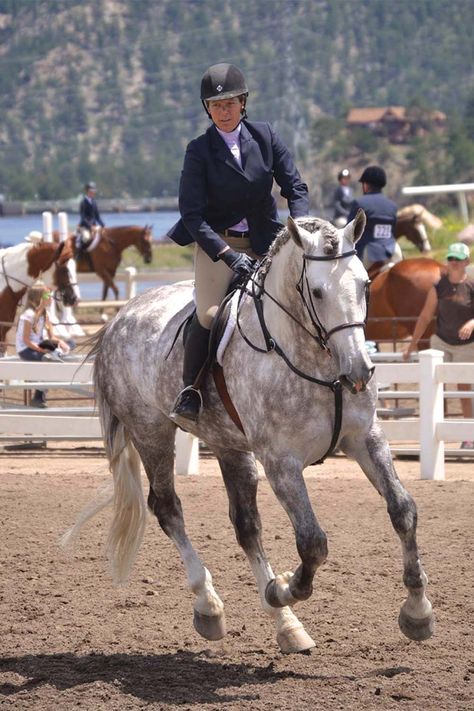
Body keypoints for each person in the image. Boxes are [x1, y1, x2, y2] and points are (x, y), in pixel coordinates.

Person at [167, 62, 309, 422]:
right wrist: (228, 255)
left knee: (303, 300)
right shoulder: (199, 150)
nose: (223, 111)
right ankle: (192, 388)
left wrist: (301, 227)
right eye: (216, 106)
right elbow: (192, 215)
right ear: (207, 109)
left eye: (230, 103)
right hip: (218, 244)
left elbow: (295, 187)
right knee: (210, 314)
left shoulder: (265, 137)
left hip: (266, 239)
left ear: (243, 103)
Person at [403, 242, 474, 449]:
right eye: (450, 259)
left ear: (466, 262)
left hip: (466, 345)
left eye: (457, 260)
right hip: (441, 341)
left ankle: (469, 436)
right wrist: (411, 345)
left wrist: (471, 323)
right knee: (433, 386)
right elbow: (425, 317)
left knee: (463, 389)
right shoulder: (439, 287)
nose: (452, 263)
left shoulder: (471, 286)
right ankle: (432, 435)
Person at [16, 285, 71, 408]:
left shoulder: (45, 314)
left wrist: (61, 343)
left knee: (68, 346)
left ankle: (38, 396)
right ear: (38, 298)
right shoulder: (29, 315)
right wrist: (42, 350)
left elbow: (52, 336)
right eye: (47, 295)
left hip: (37, 345)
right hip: (25, 349)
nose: (50, 298)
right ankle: (38, 397)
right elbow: (25, 340)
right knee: (51, 360)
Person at [346, 165, 398, 270]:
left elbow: (349, 232)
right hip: (392, 250)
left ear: (366, 185)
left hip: (368, 253)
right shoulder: (393, 206)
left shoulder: (359, 203)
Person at [76, 182, 105, 257]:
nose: (93, 193)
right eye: (91, 191)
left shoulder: (94, 202)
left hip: (94, 226)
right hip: (85, 226)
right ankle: (80, 255)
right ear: (87, 191)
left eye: (93, 191)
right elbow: (83, 218)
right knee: (86, 237)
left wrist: (103, 225)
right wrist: (90, 226)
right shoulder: (83, 203)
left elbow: (97, 217)